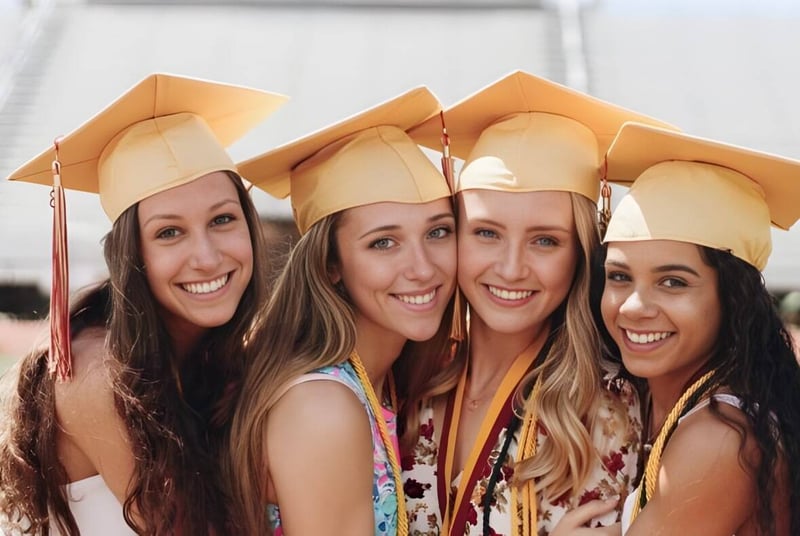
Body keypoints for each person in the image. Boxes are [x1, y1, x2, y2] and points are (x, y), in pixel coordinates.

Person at [0, 73, 287, 535]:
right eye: (169, 232)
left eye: (222, 219)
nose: (208, 257)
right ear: (132, 255)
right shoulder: (98, 372)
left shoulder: (219, 354)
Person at [401, 71, 676, 536]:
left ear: (580, 255)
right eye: (487, 233)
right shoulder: (412, 377)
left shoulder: (600, 407)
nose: (511, 269)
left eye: (545, 241)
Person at [227, 87, 458, 535]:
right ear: (330, 264)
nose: (423, 267)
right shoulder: (322, 406)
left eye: (438, 232)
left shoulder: (380, 380)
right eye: (383, 243)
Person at [591, 122, 800, 535]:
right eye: (619, 277)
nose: (633, 306)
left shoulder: (720, 437)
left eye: (674, 282)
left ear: (732, 298)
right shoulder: (674, 404)